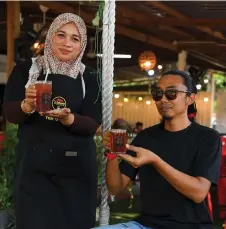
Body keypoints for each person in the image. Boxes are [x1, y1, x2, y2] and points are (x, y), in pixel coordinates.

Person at [4, 13, 102, 229]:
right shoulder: (26, 70)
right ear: (50, 38)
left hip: (76, 172)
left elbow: (93, 123)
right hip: (34, 170)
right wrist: (26, 106)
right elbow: (10, 113)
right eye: (61, 35)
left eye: (75, 39)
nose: (67, 43)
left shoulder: (90, 77)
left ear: (82, 44)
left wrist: (69, 119)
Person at [95, 70, 222, 229]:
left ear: (190, 98)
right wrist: (112, 154)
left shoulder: (207, 138)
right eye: (157, 93)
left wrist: (155, 161)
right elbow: (115, 187)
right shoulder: (146, 137)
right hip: (147, 224)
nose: (163, 99)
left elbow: (198, 193)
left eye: (171, 93)